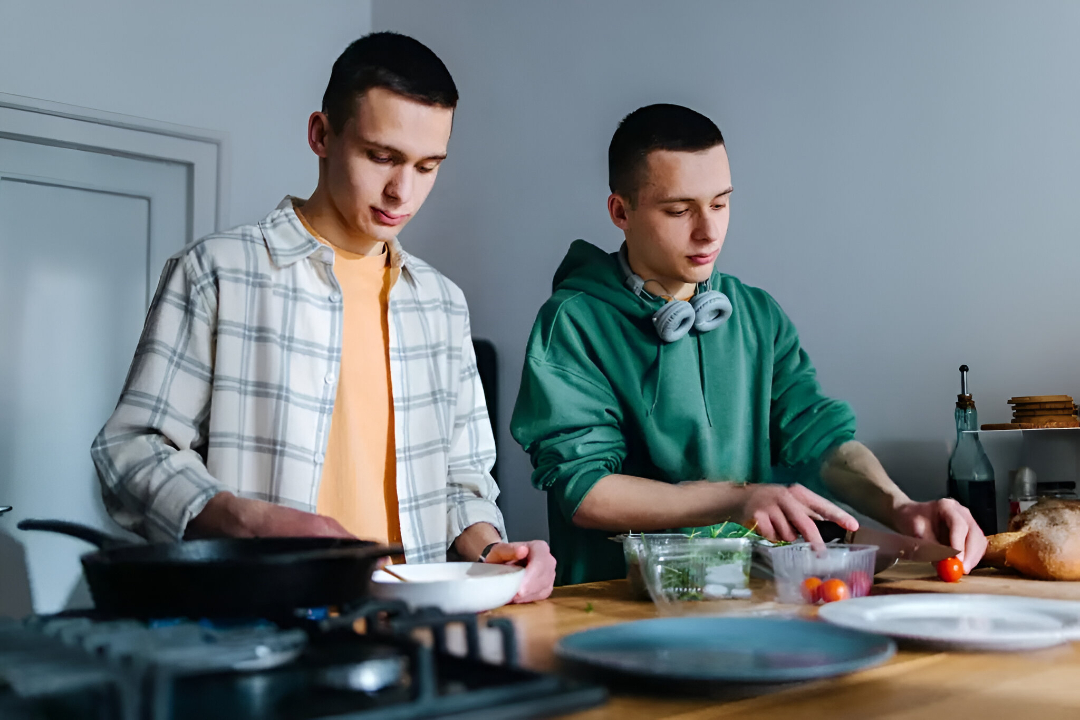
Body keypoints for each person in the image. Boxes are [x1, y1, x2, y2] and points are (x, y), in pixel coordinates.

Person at [92, 32, 555, 603]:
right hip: (263, 618)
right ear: (321, 135)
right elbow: (132, 449)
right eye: (381, 157)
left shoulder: (441, 303)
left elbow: (462, 480)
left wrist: (491, 551)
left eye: (427, 165)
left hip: (411, 626)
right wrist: (252, 523)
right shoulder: (220, 272)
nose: (401, 191)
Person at [510, 103, 986, 586]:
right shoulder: (573, 323)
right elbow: (586, 490)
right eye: (679, 210)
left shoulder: (757, 314)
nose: (709, 231)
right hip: (614, 608)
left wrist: (900, 506)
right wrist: (738, 498)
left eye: (720, 203)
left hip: (745, 598)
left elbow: (818, 437)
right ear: (620, 211)